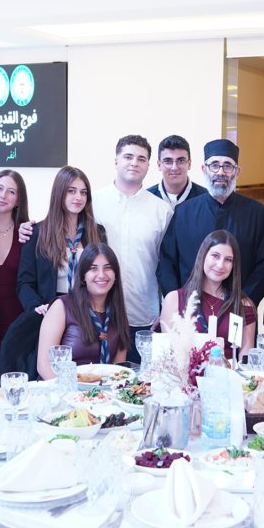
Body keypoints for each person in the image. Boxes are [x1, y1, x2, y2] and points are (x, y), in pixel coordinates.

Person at [157, 139, 264, 305]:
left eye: (227, 166)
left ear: (237, 172)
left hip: (237, 309)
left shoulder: (255, 212)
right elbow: (167, 262)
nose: (221, 172)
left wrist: (243, 302)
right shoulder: (183, 212)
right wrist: (177, 300)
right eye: (214, 165)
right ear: (204, 169)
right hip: (189, 308)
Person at [93, 135, 174, 363]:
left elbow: (167, 264)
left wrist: (165, 309)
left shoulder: (162, 210)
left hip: (145, 315)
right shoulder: (93, 203)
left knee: (140, 387)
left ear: (149, 166)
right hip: (98, 313)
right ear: (116, 161)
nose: (134, 163)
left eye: (141, 159)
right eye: (128, 156)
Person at [16, 166, 105, 314]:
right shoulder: (37, 233)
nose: (78, 197)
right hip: (49, 309)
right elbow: (25, 282)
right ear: (59, 193)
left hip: (88, 309)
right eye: (72, 191)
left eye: (83, 193)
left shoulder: (98, 232)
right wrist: (36, 307)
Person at [35, 243, 130, 378]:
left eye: (108, 268)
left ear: (115, 275)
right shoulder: (61, 306)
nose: (101, 275)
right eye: (93, 268)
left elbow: (118, 368)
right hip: (61, 390)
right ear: (83, 275)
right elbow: (44, 366)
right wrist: (72, 394)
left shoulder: (118, 312)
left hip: (100, 394)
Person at [160, 230, 256, 359]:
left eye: (228, 260)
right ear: (203, 255)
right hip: (184, 376)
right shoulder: (174, 300)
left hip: (228, 376)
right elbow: (167, 357)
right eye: (215, 256)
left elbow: (246, 363)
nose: (220, 265)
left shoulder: (243, 305)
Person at [0, 170, 29, 388]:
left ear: (18, 200)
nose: (2, 195)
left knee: (22, 387)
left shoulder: (28, 232)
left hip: (20, 322)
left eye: (11, 191)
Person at [147, 134, 208, 209]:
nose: (174, 167)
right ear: (159, 165)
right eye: (168, 161)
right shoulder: (146, 199)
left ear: (189, 164)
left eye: (181, 160)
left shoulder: (207, 199)